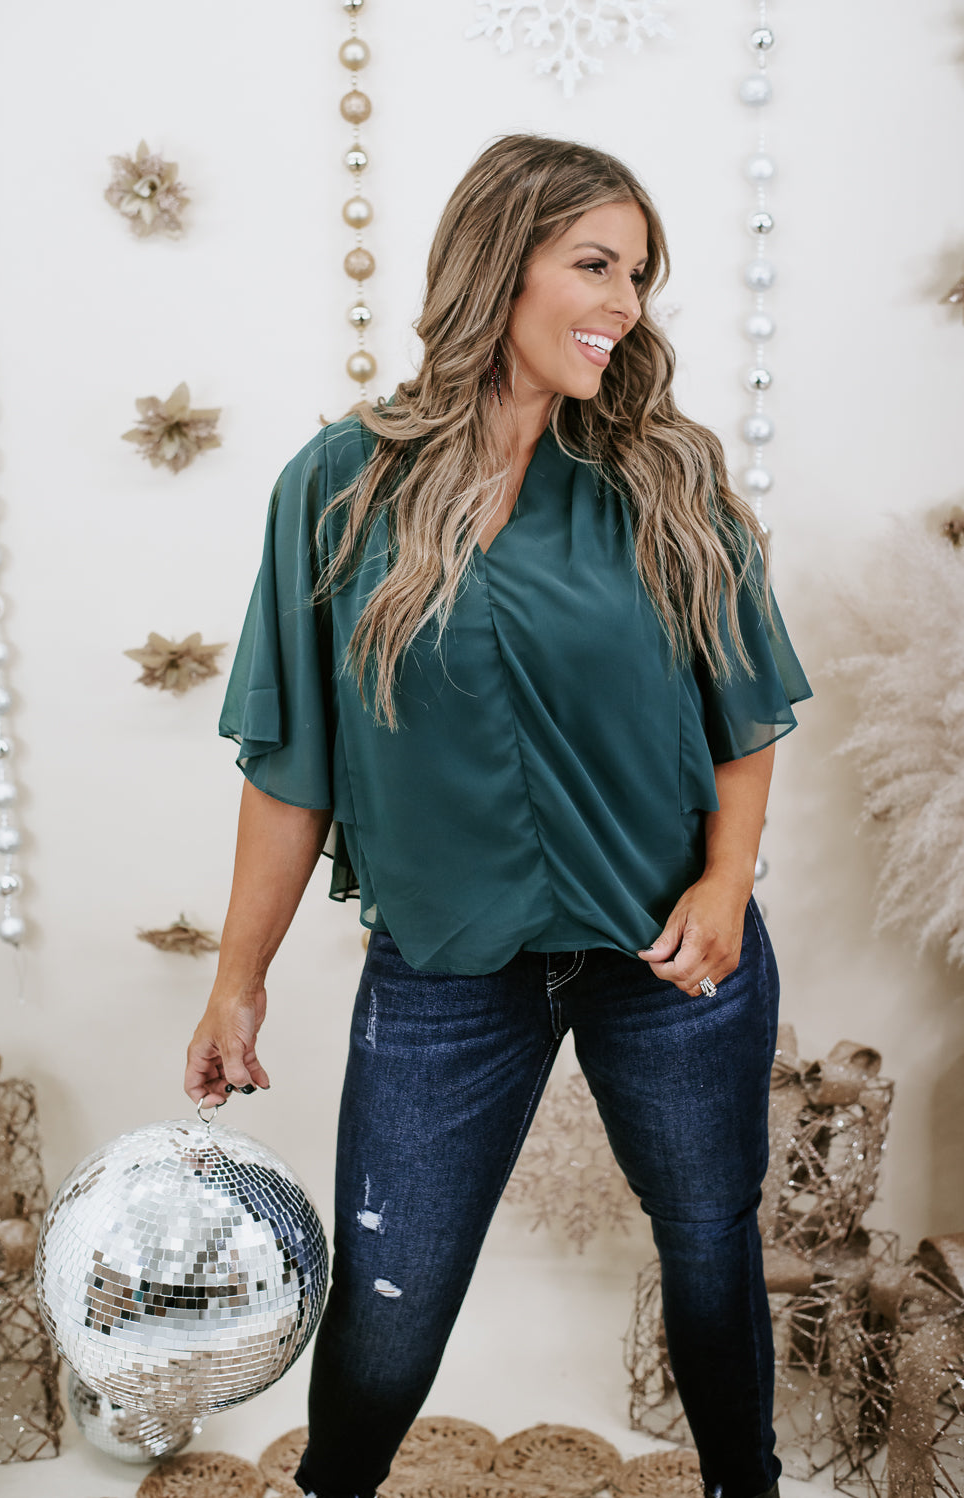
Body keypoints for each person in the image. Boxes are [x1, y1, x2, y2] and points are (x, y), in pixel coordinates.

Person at [185, 134, 811, 1498]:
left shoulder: (667, 479)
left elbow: (744, 713)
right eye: (596, 265)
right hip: (446, 965)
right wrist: (238, 981)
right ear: (499, 262)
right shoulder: (340, 485)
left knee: (711, 1246)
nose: (625, 304)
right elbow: (292, 768)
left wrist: (724, 884)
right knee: (392, 1293)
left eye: (637, 276)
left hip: (669, 953)